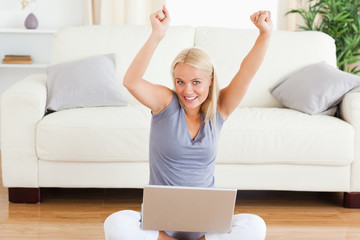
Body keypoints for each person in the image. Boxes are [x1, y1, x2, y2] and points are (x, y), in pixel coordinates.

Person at [104, 5, 273, 240]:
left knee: (255, 225)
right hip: (161, 224)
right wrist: (157, 35)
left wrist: (265, 35)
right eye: (180, 81)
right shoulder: (165, 103)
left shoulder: (220, 109)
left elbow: (247, 72)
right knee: (117, 223)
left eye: (196, 82)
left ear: (211, 81)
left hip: (206, 224)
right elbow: (131, 82)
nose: (187, 90)